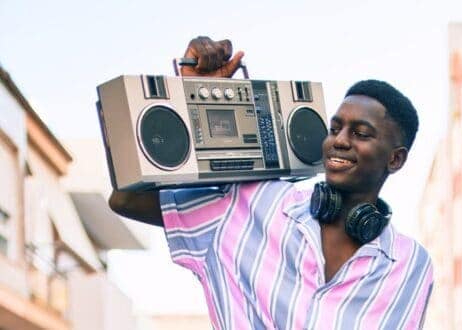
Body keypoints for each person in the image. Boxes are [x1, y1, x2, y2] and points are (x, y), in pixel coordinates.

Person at [109, 36, 433, 329]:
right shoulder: (254, 203)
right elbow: (124, 199)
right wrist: (191, 100)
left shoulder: (409, 264)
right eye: (335, 129)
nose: (340, 141)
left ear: (395, 159)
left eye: (360, 134)